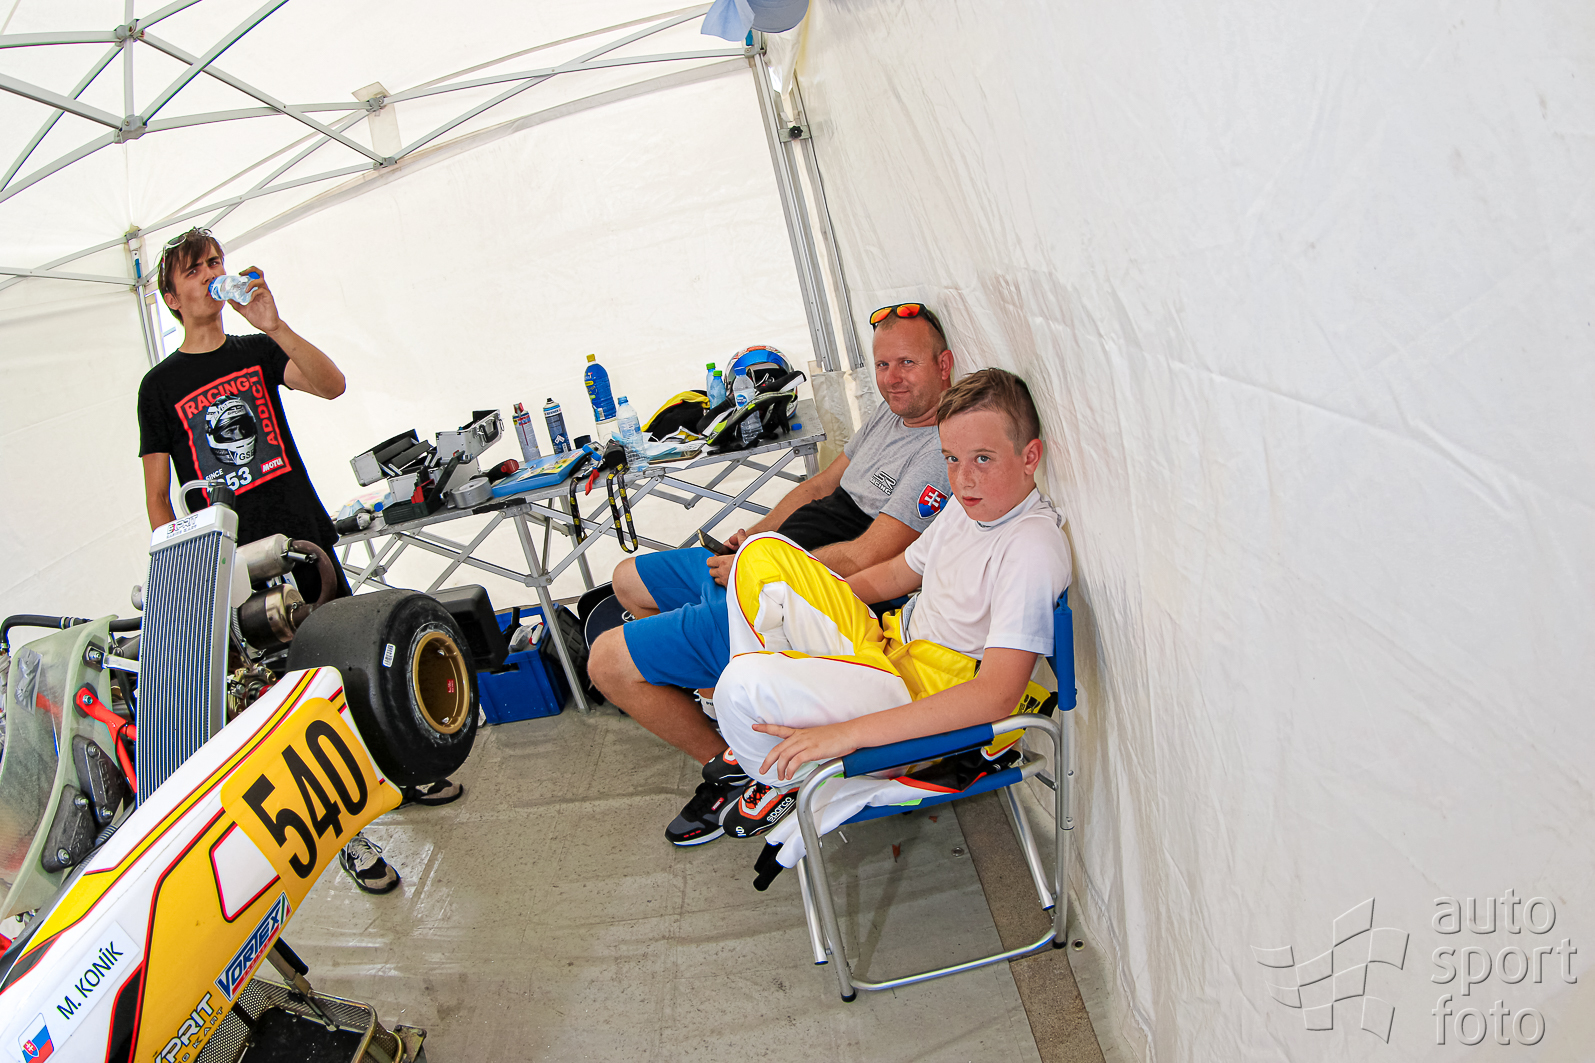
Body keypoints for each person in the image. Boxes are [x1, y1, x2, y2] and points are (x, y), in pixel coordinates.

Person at [135, 227, 462, 894]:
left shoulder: (256, 350)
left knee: (356, 668)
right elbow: (158, 499)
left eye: (215, 262)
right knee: (286, 702)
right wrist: (191, 582)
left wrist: (274, 324)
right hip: (238, 568)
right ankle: (349, 838)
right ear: (170, 296)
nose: (210, 274)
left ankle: (402, 773)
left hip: (305, 541)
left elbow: (332, 385)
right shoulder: (159, 385)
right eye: (195, 270)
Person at [587, 303, 956, 845]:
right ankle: (733, 713)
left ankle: (738, 771)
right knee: (627, 579)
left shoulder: (942, 449)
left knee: (606, 662)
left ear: (944, 365)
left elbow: (864, 558)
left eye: (907, 363)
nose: (892, 379)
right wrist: (752, 537)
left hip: (797, 598)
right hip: (769, 562)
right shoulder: (891, 414)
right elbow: (818, 488)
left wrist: (753, 569)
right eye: (882, 365)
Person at [705, 367, 1071, 841]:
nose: (963, 479)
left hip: (924, 700)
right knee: (761, 555)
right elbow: (899, 573)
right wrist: (814, 597)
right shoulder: (967, 507)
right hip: (887, 652)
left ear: (1029, 457)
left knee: (739, 685)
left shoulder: (1031, 545)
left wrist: (848, 734)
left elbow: (996, 695)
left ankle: (784, 772)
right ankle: (780, 723)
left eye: (983, 458)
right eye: (952, 459)